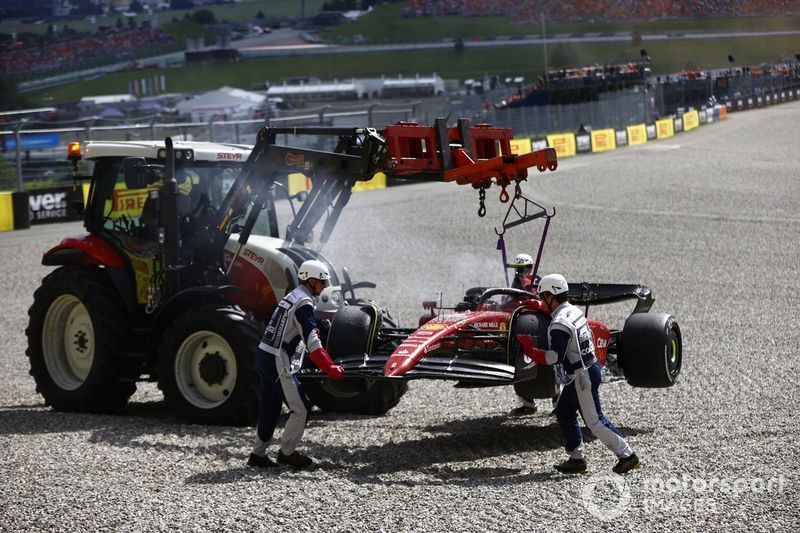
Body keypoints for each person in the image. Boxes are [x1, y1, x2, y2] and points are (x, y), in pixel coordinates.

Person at [517, 273, 640, 475]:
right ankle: (576, 458)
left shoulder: (559, 324)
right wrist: (539, 307)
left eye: (542, 297)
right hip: (584, 372)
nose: (541, 301)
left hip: (582, 377)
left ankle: (627, 455)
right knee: (564, 411)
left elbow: (553, 357)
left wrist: (530, 350)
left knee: (595, 422)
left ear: (550, 297)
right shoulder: (572, 310)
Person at [247, 259, 344, 469]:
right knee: (300, 408)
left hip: (264, 353)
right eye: (322, 282)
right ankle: (287, 453)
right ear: (310, 281)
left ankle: (258, 455)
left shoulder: (294, 296)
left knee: (270, 407)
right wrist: (330, 368)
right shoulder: (304, 303)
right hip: (276, 358)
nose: (325, 286)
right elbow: (312, 343)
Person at [507, 253, 541, 415]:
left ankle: (559, 404)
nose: (520, 272)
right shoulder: (514, 285)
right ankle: (529, 404)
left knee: (551, 368)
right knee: (520, 367)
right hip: (520, 329)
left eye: (523, 269)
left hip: (538, 328)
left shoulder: (537, 283)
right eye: (518, 269)